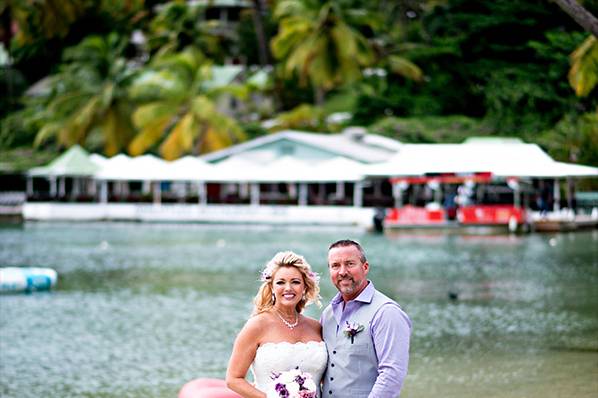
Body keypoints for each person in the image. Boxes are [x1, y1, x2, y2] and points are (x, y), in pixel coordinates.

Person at [226, 251, 327, 397]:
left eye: (295, 282)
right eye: (280, 282)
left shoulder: (316, 327)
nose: (288, 288)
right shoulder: (257, 325)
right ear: (272, 287)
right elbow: (233, 379)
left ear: (305, 286)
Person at [321, 239, 411, 398]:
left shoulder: (387, 313)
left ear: (365, 267)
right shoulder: (328, 314)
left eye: (349, 264)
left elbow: (392, 375)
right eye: (335, 265)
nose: (342, 272)